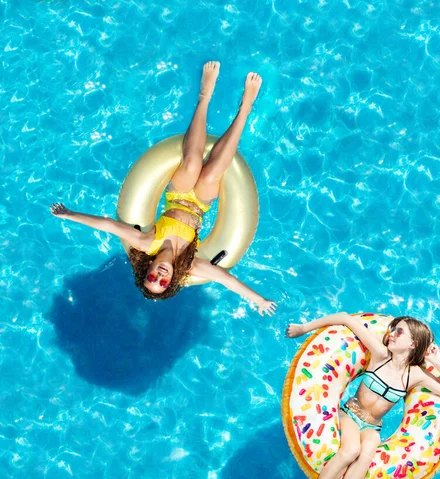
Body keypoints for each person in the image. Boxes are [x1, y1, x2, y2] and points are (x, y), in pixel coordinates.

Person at [51, 62, 276, 316]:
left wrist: (69, 214)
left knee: (191, 164)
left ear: (147, 269)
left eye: (152, 277)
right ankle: (244, 108)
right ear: (170, 282)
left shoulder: (147, 243)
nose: (159, 276)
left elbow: (108, 225)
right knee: (212, 172)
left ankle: (205, 96)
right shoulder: (189, 266)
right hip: (201, 203)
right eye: (162, 283)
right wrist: (257, 299)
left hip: (178, 195)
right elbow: (226, 280)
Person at [285, 313, 440, 479]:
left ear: (413, 344)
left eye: (399, 332)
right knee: (350, 451)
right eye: (393, 329)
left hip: (372, 426)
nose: (392, 334)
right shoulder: (380, 355)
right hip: (351, 413)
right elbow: (346, 319)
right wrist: (303, 328)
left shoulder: (416, 375)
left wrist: (439, 364)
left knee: (368, 451)